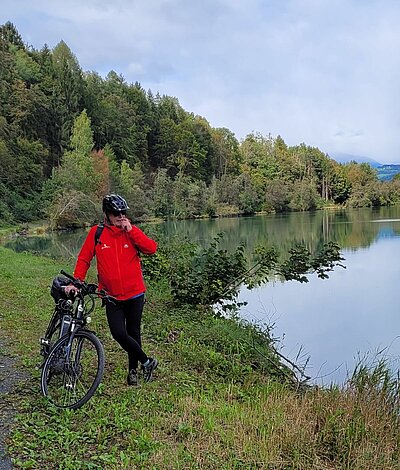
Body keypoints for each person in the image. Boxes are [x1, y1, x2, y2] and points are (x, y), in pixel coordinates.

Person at [65, 194, 158, 386]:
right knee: (118, 333)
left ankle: (133, 371)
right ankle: (147, 362)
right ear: (106, 214)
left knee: (133, 332)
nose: (120, 216)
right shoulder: (97, 234)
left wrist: (131, 231)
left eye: (123, 212)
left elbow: (151, 248)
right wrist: (77, 281)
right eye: (116, 213)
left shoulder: (130, 232)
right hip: (111, 295)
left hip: (135, 294)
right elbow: (84, 258)